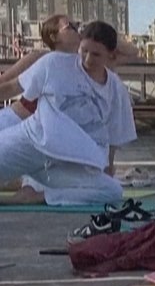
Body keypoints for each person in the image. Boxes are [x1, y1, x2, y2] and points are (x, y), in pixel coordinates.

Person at [0, 22, 136, 206]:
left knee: (112, 191)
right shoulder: (54, 63)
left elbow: (112, 139)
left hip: (67, 164)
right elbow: (11, 87)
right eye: (84, 50)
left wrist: (106, 169)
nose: (87, 59)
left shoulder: (116, 90)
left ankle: (39, 196)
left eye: (96, 54)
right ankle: (26, 183)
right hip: (31, 143)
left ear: (111, 55)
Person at [0, 15, 85, 129]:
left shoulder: (86, 65)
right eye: (70, 27)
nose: (77, 30)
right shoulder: (40, 59)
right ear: (54, 37)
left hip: (50, 133)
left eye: (77, 25)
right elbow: (8, 85)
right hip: (15, 122)